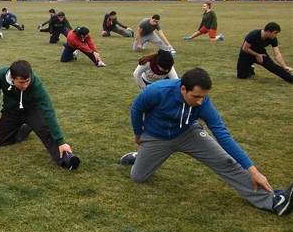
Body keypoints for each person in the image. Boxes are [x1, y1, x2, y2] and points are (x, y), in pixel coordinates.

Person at [121, 67, 292, 216]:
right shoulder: (157, 90)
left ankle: (274, 201)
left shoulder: (203, 102)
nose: (200, 101)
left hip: (188, 134)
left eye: (203, 97)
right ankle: (140, 156)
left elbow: (222, 135)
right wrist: (138, 134)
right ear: (183, 89)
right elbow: (136, 109)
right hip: (156, 137)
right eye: (196, 96)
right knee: (138, 177)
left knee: (226, 161)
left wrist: (253, 170)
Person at [0, 60, 80, 171]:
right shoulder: (0, 75)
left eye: (27, 81)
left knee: (46, 133)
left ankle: (67, 159)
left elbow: (48, 111)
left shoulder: (36, 83)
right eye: (21, 82)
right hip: (10, 111)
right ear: (12, 78)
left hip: (32, 111)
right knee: (1, 141)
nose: (25, 85)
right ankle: (26, 128)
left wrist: (61, 142)